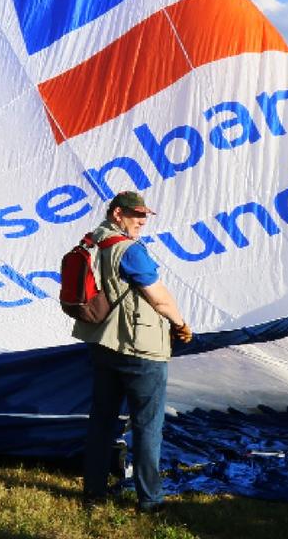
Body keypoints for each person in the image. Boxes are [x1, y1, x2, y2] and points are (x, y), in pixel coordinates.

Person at [74, 190, 193, 513]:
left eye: (144, 215)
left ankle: (93, 495)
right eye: (135, 215)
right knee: (148, 427)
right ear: (117, 214)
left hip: (103, 344)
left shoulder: (92, 242)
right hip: (140, 348)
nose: (141, 221)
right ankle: (150, 501)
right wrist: (180, 323)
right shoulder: (130, 251)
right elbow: (159, 299)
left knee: (101, 422)